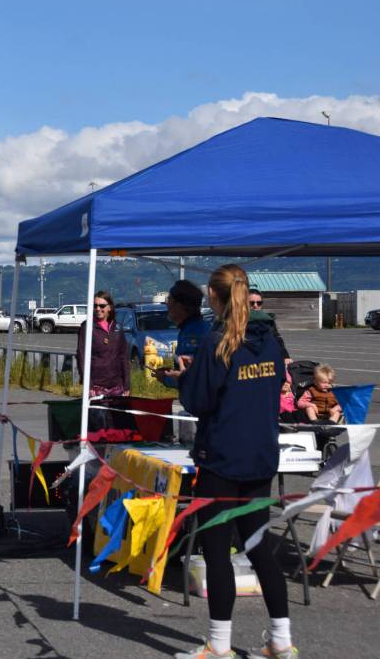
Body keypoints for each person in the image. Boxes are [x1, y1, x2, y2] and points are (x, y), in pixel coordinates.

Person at [176, 264, 295, 659]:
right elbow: (274, 386)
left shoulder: (217, 343)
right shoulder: (272, 343)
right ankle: (281, 640)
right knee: (259, 547)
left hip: (223, 459)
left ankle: (220, 645)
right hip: (260, 456)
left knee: (217, 552)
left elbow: (198, 401)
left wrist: (187, 377)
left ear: (214, 296)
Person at [155, 280, 210, 388]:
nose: (167, 304)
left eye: (169, 299)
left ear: (179, 306)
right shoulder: (195, 328)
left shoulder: (192, 334)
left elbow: (192, 377)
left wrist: (166, 378)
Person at [76, 291, 129, 397]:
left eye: (102, 306)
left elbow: (123, 357)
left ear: (109, 307)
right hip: (96, 386)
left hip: (117, 386)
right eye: (95, 306)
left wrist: (127, 385)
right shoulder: (87, 327)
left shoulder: (117, 327)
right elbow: (81, 357)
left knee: (117, 413)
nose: (98, 309)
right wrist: (88, 385)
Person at [248, 289, 291, 363]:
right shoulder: (239, 321)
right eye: (251, 303)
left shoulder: (268, 321)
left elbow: (277, 340)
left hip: (268, 360)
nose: (255, 305)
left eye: (259, 303)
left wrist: (285, 356)